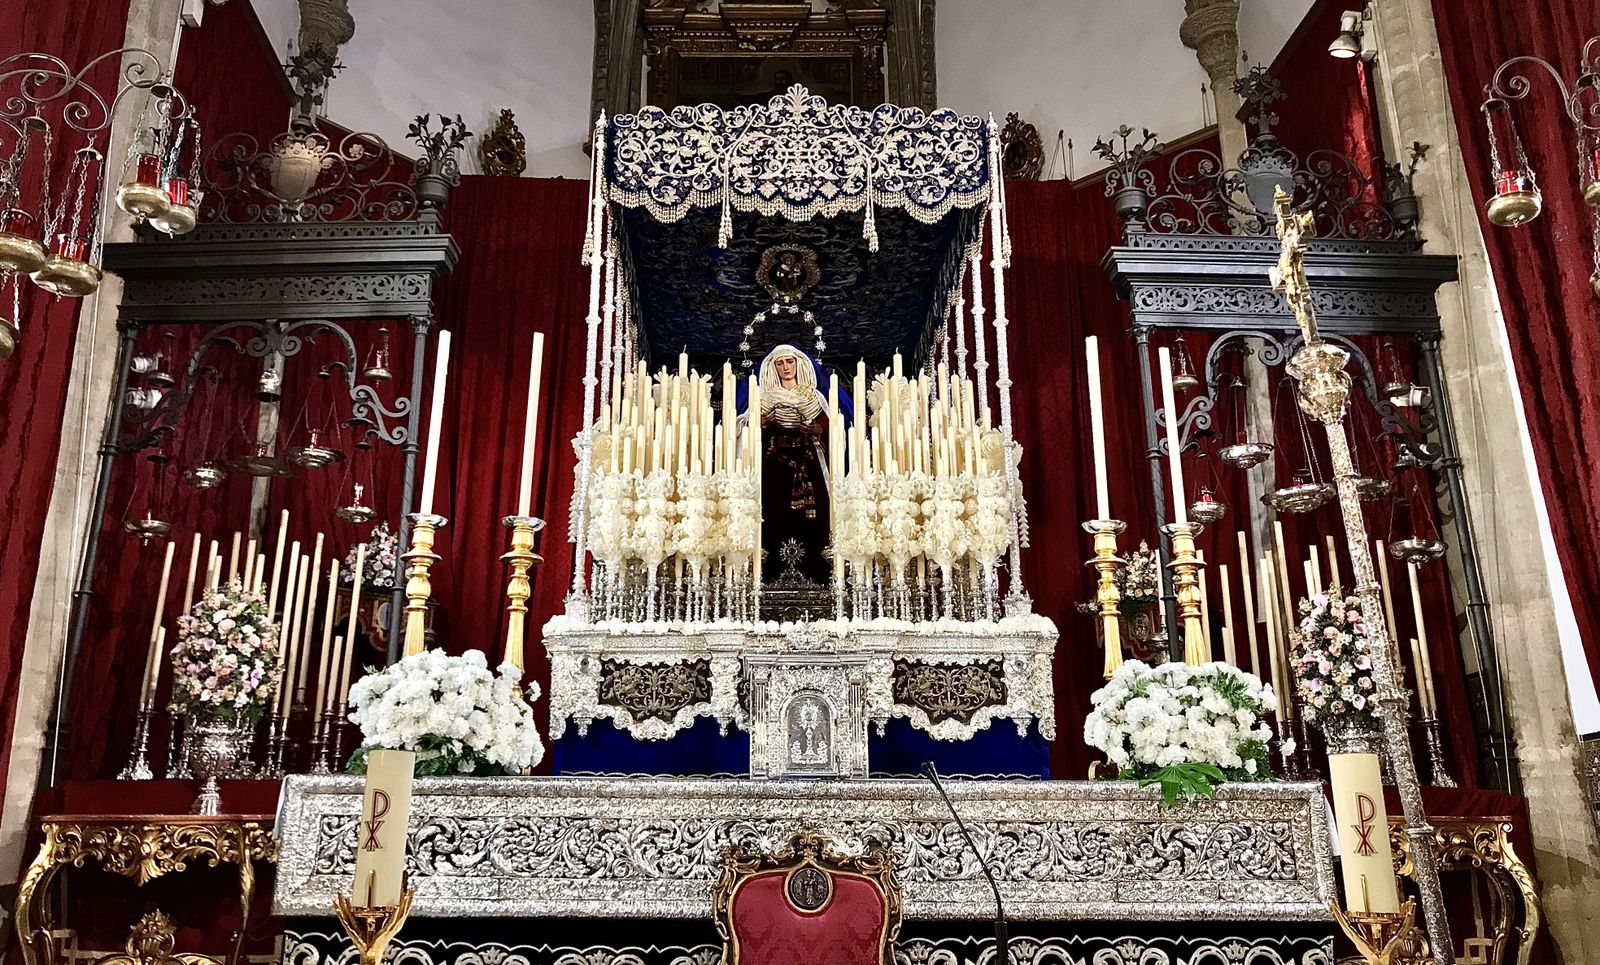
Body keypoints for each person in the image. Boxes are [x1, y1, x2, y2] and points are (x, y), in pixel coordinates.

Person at [754, 344, 831, 584]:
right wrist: (763, 421)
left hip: (808, 463)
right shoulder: (764, 397)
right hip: (775, 464)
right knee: (773, 512)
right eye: (780, 363)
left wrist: (818, 429)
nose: (786, 368)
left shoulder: (813, 397)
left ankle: (815, 573)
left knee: (814, 516)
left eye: (790, 362)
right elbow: (745, 429)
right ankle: (770, 573)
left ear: (798, 364)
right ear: (772, 368)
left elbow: (832, 427)